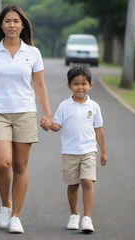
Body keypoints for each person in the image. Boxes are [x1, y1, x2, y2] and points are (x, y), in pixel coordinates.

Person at [0, 5, 52, 234]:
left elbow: (40, 85)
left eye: (16, 21)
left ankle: (16, 215)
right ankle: (5, 204)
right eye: (7, 21)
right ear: (1, 25)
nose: (12, 25)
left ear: (23, 25)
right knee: (3, 163)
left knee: (20, 165)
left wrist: (47, 113)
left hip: (25, 113)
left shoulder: (33, 53)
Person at [41, 65, 107, 233]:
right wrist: (48, 126)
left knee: (87, 182)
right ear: (69, 86)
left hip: (89, 151)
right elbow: (57, 126)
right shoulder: (64, 106)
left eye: (84, 83)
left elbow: (99, 130)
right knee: (72, 185)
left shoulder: (94, 106)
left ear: (90, 85)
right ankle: (74, 214)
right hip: (69, 152)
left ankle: (87, 218)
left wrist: (103, 152)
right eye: (76, 84)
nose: (80, 87)